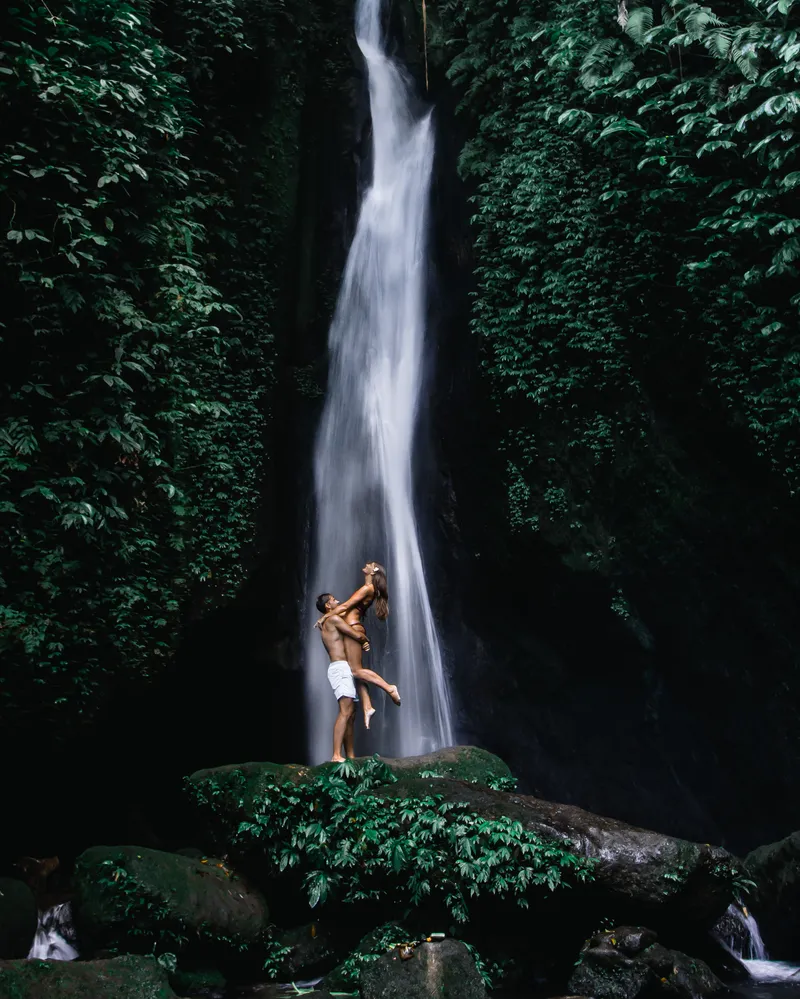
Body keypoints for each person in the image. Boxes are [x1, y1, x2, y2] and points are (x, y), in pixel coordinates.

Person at [316, 561, 401, 728]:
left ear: (374, 570)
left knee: (355, 670)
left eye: (370, 564)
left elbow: (346, 606)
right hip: (355, 628)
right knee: (355, 669)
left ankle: (389, 688)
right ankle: (367, 705)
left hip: (353, 628)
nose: (367, 564)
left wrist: (324, 617)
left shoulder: (367, 588)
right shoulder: (369, 589)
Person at [317, 602, 368, 761]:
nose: (337, 602)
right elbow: (355, 634)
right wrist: (364, 639)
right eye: (333, 600)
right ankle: (336, 755)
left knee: (351, 714)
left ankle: (350, 755)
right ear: (327, 605)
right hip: (339, 668)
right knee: (345, 711)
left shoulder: (328, 620)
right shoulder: (332, 620)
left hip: (343, 668)